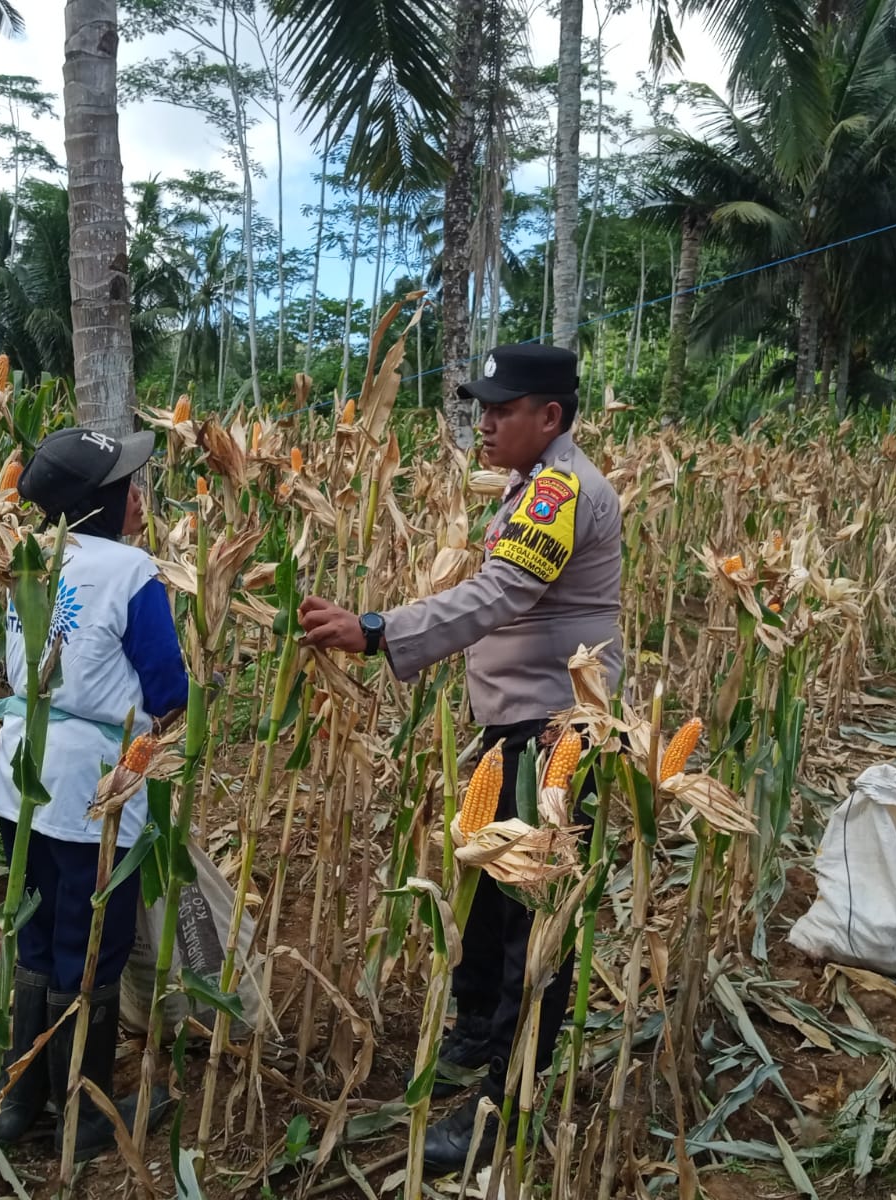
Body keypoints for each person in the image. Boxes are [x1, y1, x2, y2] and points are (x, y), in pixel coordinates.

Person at [298, 344, 623, 1173]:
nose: (483, 421)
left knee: (529, 923)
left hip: (553, 737)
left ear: (548, 417)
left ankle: (503, 1103)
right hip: (516, 725)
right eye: (481, 405)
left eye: (501, 408)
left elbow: (500, 594)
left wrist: (378, 630)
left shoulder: (558, 490)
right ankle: (480, 1031)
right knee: (485, 891)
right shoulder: (530, 484)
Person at [0, 427, 190, 1160]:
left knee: (34, 933)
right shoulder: (132, 570)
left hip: (20, 775)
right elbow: (168, 691)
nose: (141, 492)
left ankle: (18, 1101)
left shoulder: (29, 558)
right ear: (103, 502)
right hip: (95, 787)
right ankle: (85, 1108)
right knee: (90, 945)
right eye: (131, 482)